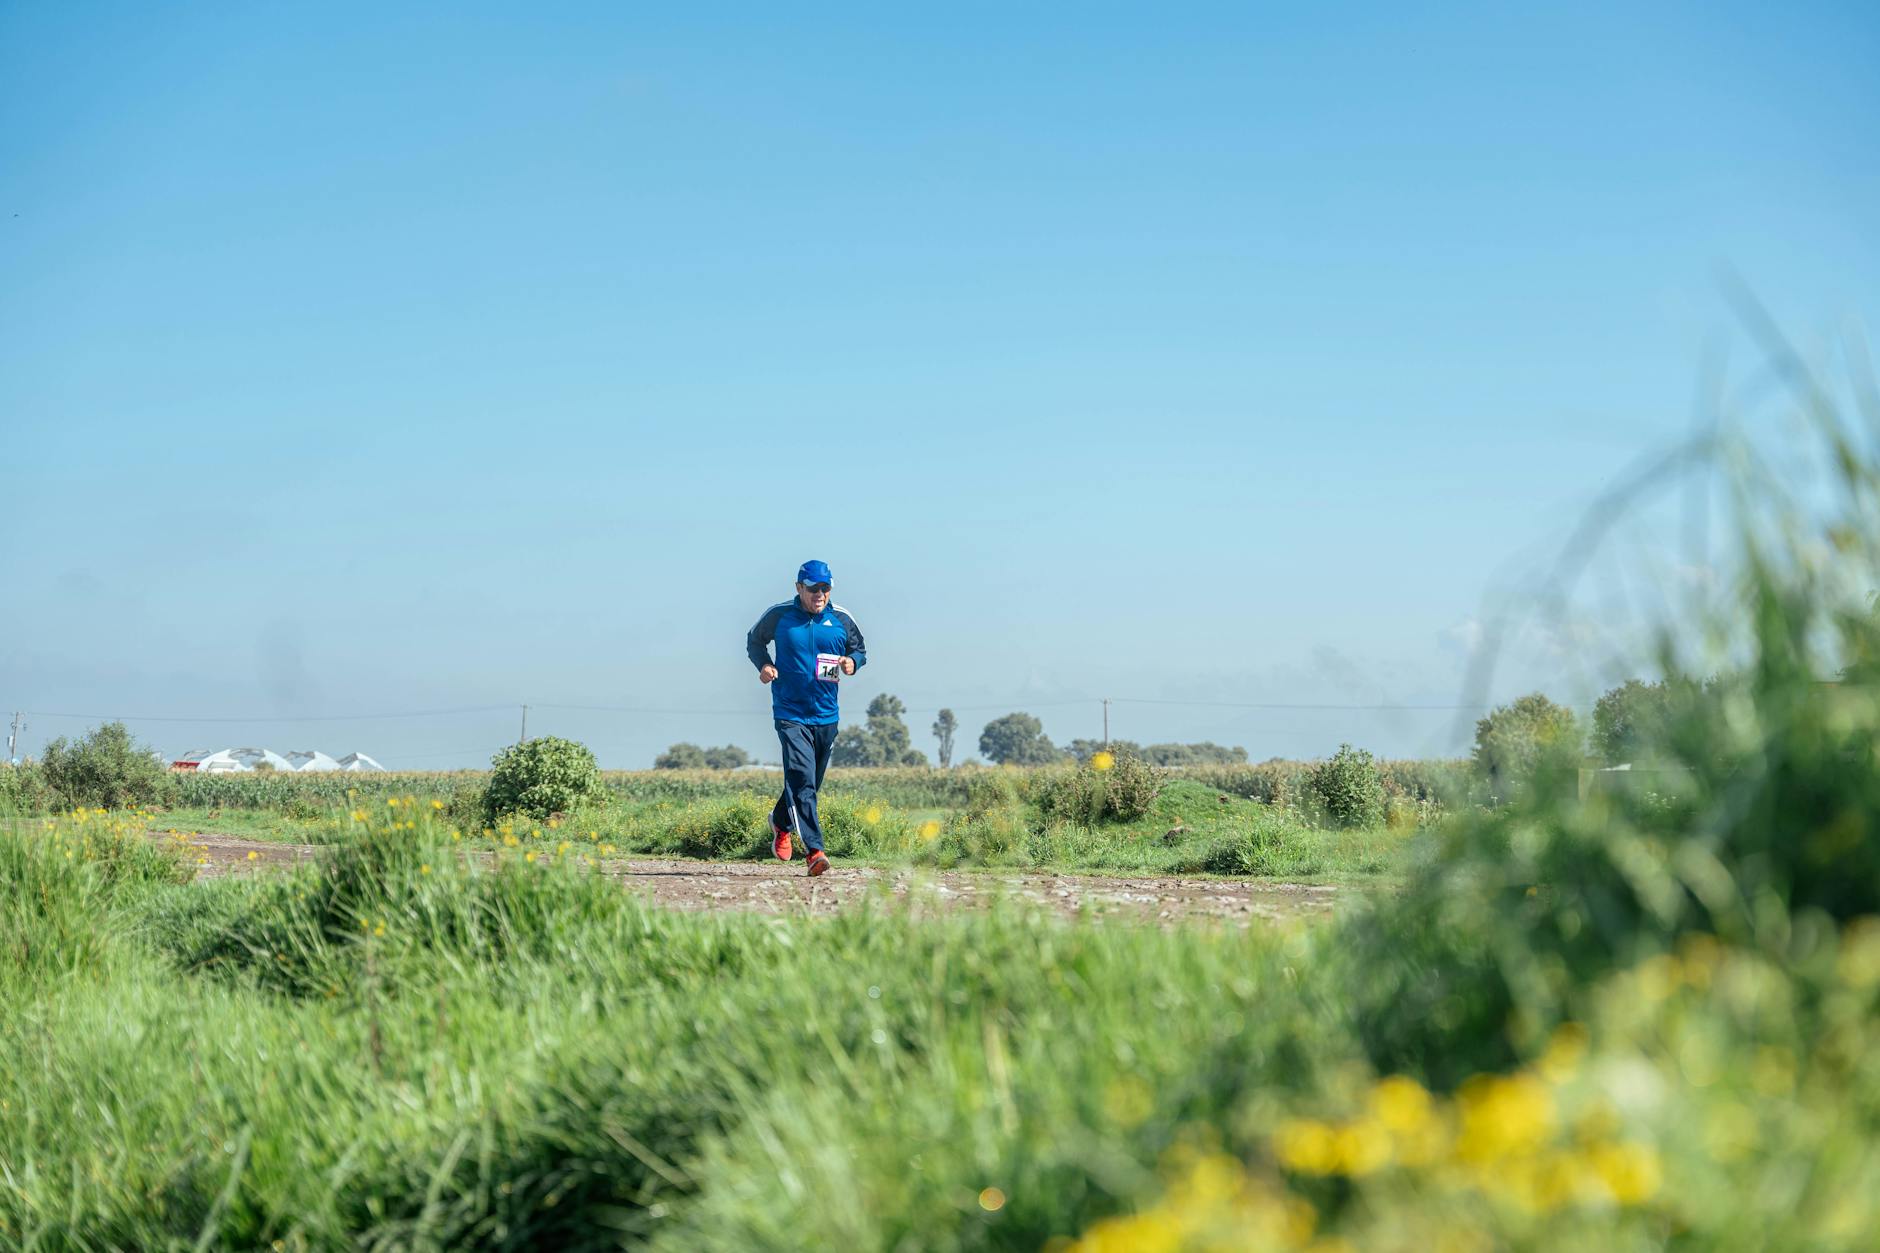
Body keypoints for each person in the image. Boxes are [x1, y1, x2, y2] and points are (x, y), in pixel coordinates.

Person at [745, 559, 867, 876]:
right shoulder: (780, 615)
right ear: (799, 587)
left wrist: (852, 662)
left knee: (809, 782)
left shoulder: (842, 619)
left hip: (826, 715)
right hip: (790, 712)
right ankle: (815, 851)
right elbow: (754, 641)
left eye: (825, 588)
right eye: (813, 588)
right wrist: (764, 665)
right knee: (801, 778)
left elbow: (860, 650)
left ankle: (781, 822)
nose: (820, 594)